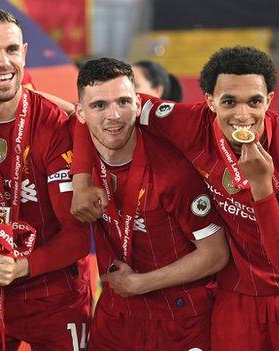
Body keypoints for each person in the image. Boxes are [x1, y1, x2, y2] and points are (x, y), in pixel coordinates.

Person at [71, 46, 279, 351]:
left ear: (270, 100)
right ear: (210, 101)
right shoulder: (189, 124)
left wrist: (262, 188)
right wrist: (81, 180)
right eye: (229, 102)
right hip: (238, 292)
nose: (242, 115)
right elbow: (93, 114)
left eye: (254, 101)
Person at [0, 7, 91, 350]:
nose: (3, 62)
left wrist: (23, 266)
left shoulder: (53, 125)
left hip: (53, 295)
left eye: (11, 50)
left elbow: (78, 235)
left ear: (24, 53)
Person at [74, 57, 228, 350]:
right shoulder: (78, 155)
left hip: (180, 318)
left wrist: (139, 283)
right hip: (117, 316)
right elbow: (36, 104)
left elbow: (216, 254)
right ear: (81, 113)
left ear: (139, 103)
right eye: (99, 106)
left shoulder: (174, 174)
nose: (114, 115)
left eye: (123, 102)